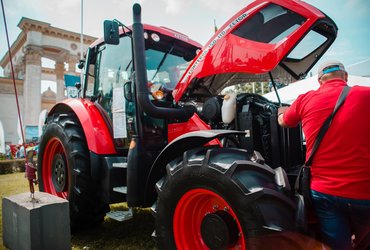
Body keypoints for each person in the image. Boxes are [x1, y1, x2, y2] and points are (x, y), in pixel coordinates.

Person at [277, 60, 370, 250]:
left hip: (324, 192)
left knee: (337, 245)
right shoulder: (365, 94)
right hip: (364, 190)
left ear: (320, 80)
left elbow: (284, 122)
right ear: (345, 76)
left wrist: (281, 113)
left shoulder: (305, 99)